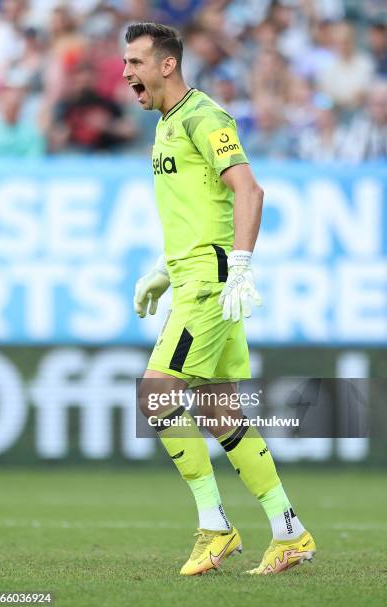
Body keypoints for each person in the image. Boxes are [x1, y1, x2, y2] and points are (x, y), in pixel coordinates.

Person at [123, 22, 316, 577]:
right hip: (193, 275)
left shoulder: (206, 117)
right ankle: (289, 531)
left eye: (136, 62)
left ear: (167, 65)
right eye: (125, 62)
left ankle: (215, 527)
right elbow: (200, 205)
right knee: (218, 408)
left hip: (211, 282)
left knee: (155, 395)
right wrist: (163, 269)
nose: (127, 72)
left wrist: (241, 266)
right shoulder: (166, 124)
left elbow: (249, 190)